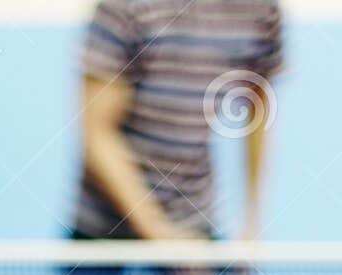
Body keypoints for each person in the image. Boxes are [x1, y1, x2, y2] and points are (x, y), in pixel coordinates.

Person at [74, 0, 285, 241]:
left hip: (195, 224)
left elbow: (257, 107)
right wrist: (158, 232)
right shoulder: (124, 6)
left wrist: (251, 225)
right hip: (104, 233)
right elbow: (97, 132)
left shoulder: (261, 9)